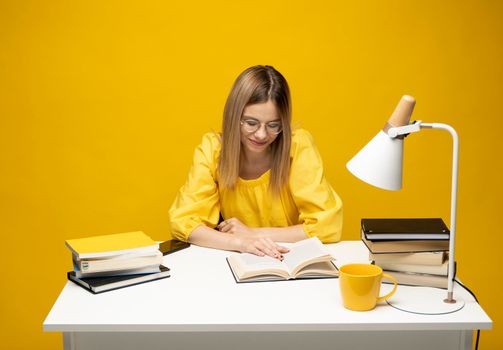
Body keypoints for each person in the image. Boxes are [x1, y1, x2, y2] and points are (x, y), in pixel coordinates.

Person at [168, 65, 342, 260]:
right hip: (238, 259)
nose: (261, 134)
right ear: (235, 117)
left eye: (273, 125)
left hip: (291, 258)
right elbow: (184, 224)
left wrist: (252, 233)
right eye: (251, 123)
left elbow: (328, 225)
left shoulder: (298, 146)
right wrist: (241, 243)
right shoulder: (212, 149)